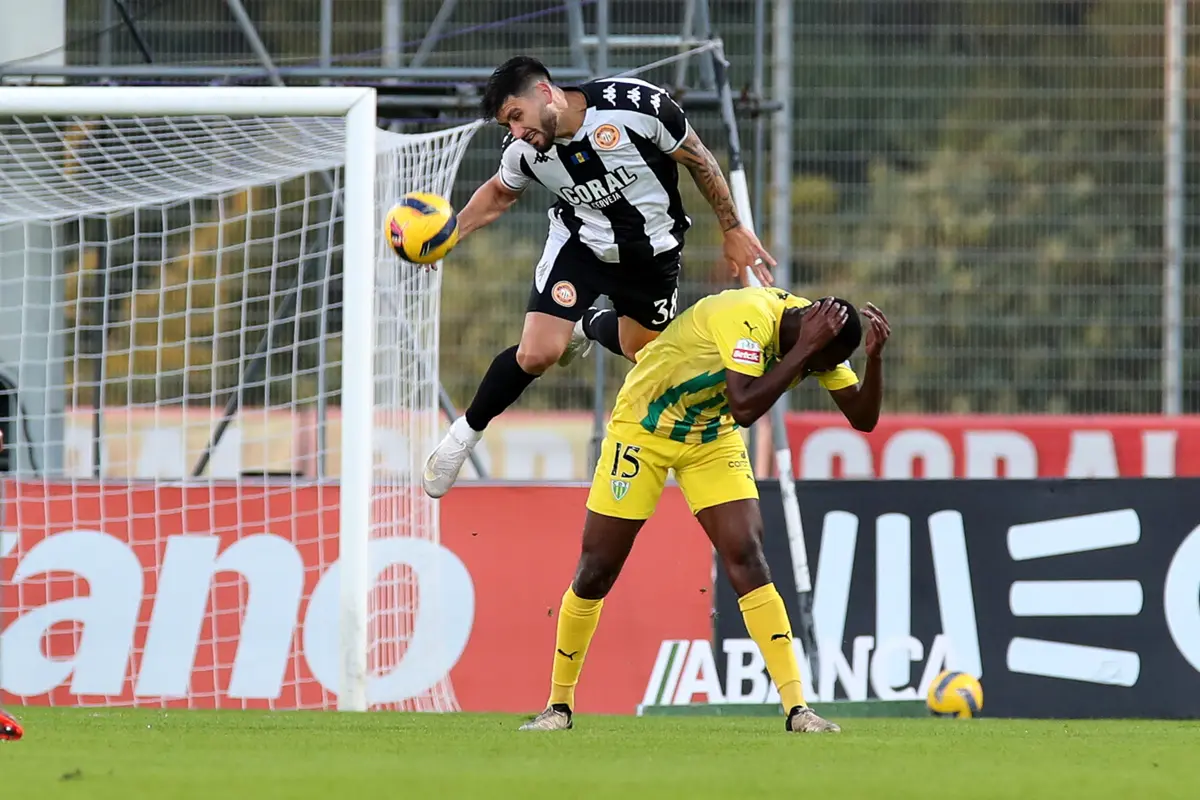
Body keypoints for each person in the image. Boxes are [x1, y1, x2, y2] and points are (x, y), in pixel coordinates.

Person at [518, 286, 891, 733]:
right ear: (809, 340)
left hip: (710, 436)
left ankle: (798, 710)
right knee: (597, 567)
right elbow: (746, 405)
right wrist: (806, 352)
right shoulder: (749, 317)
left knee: (748, 555)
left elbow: (863, 418)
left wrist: (875, 359)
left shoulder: (820, 339)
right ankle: (558, 706)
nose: (820, 374)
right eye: (819, 365)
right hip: (645, 425)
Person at [422, 55, 776, 499]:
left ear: (545, 93)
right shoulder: (525, 152)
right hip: (580, 247)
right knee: (537, 354)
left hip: (652, 253)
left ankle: (587, 324)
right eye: (506, 125)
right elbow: (499, 193)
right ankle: (462, 436)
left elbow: (699, 159)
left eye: (516, 116)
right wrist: (451, 232)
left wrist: (732, 227)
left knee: (643, 352)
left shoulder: (635, 107)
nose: (515, 132)